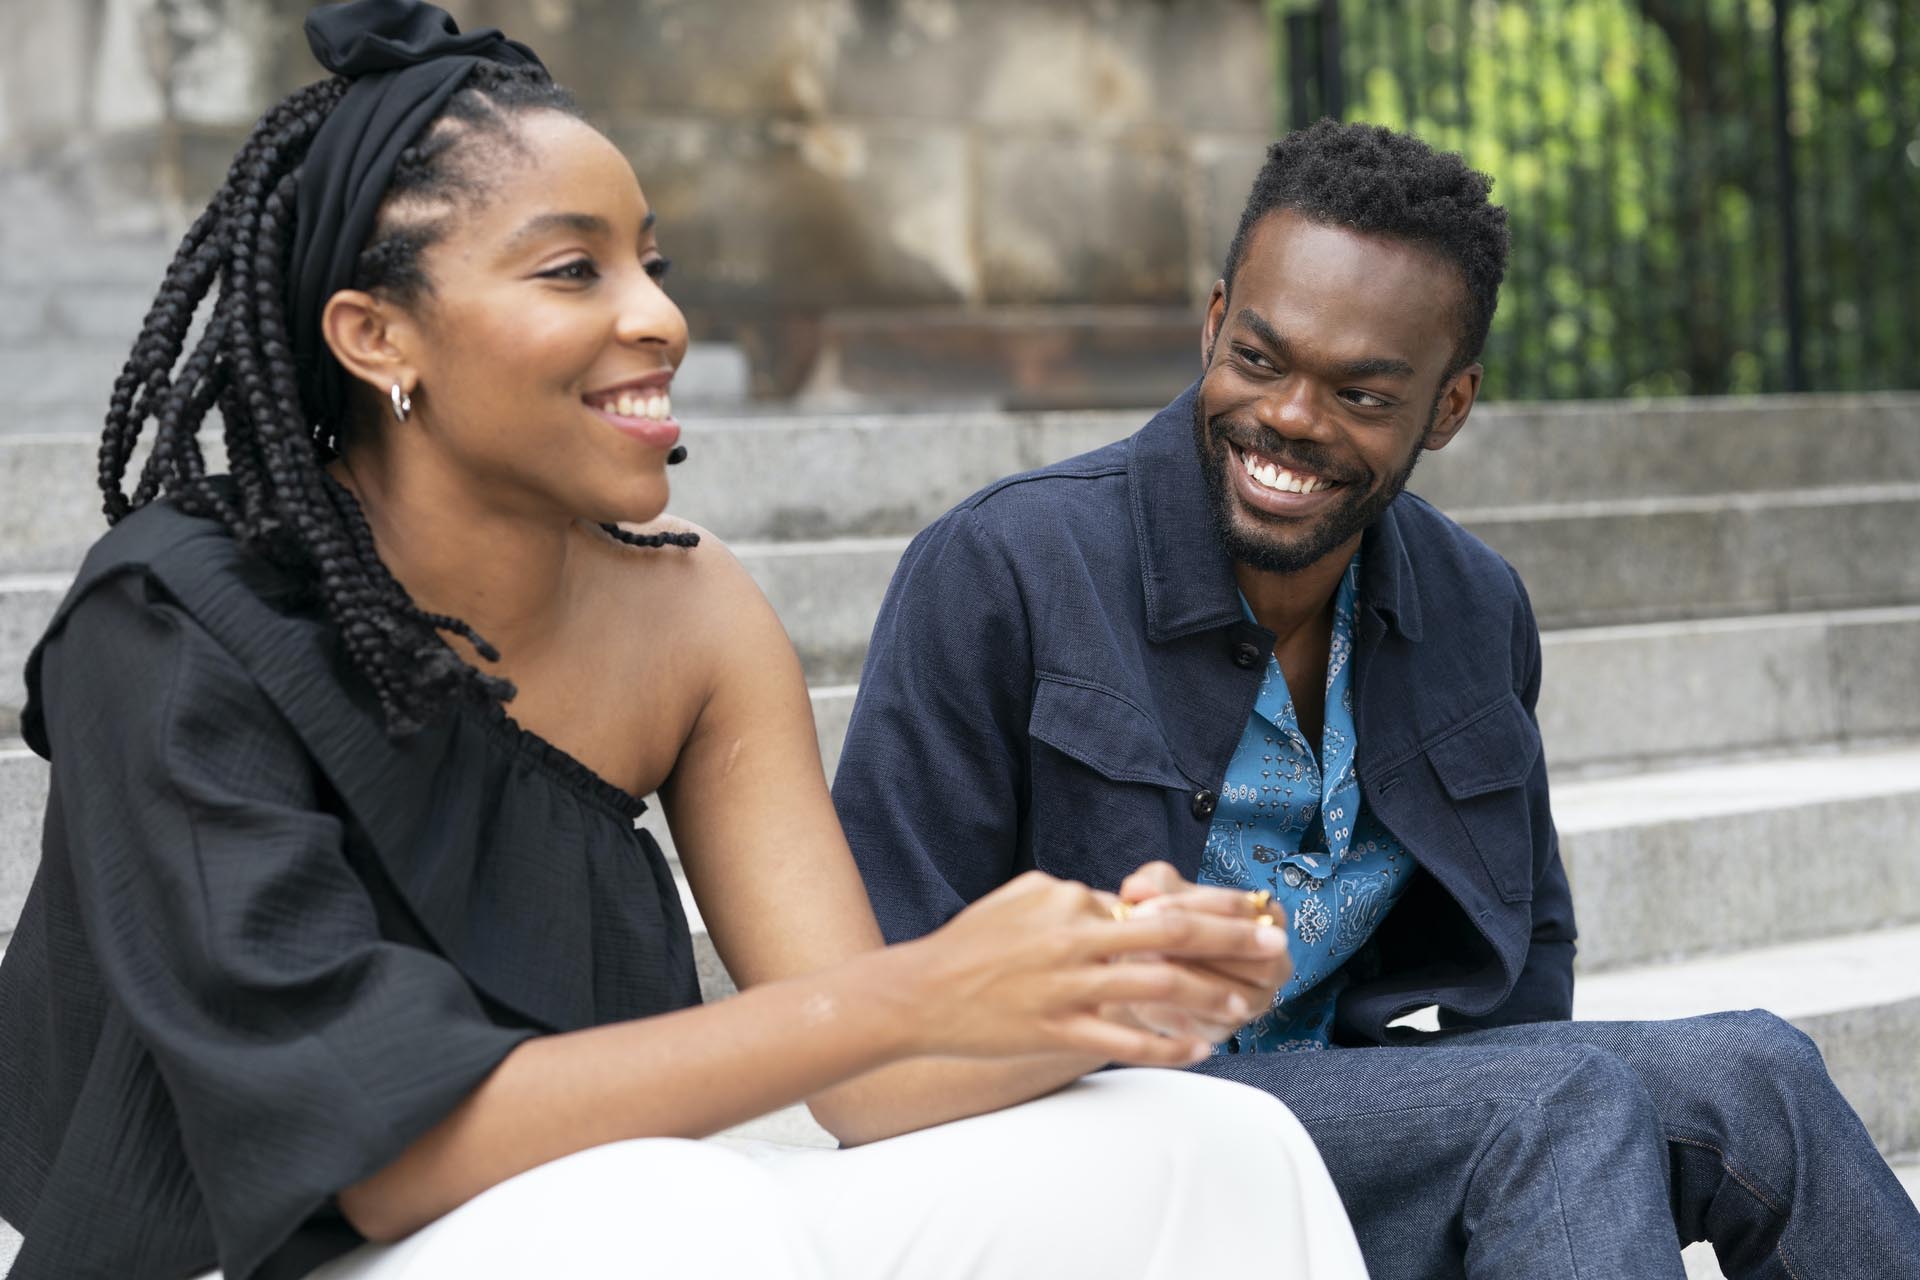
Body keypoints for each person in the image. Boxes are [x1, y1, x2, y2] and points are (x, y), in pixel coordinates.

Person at [0, 5, 1372, 1279]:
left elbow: (868, 1078)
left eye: (648, 261)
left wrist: (1098, 996)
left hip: (609, 1222)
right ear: (375, 335)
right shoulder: (177, 620)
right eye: (571, 268)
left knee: (1204, 1145)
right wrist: (920, 990)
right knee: (680, 1208)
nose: (656, 313)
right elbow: (388, 1150)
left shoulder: (690, 613)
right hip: (253, 1254)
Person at [832, 119, 1920, 1279]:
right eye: (1259, 359)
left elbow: (1526, 941)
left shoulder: (1474, 607)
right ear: (1212, 326)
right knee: (1554, 1098)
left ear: (1447, 408)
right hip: (1086, 1124)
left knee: (1760, 1071)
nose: (1292, 417)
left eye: (1358, 390)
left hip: (1335, 1120)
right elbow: (876, 999)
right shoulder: (1006, 567)